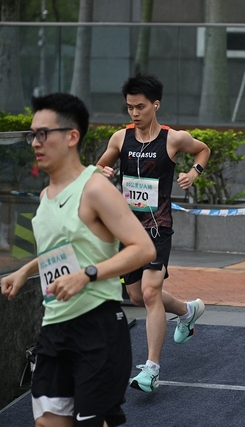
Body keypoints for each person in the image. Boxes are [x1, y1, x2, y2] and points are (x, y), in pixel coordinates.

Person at [1, 93, 156, 426]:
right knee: (47, 422)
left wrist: (87, 274)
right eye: (32, 135)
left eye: (43, 134)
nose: (35, 143)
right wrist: (25, 270)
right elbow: (62, 250)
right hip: (54, 328)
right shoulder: (45, 195)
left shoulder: (95, 189)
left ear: (72, 137)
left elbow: (143, 249)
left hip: (97, 327)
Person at [97, 74, 211, 393]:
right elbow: (97, 168)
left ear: (155, 105)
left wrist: (193, 173)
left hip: (158, 228)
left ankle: (152, 369)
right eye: (130, 107)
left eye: (140, 107)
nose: (134, 113)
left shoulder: (173, 139)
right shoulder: (120, 139)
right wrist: (101, 171)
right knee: (137, 296)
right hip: (128, 230)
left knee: (149, 293)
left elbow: (203, 150)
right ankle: (187, 311)